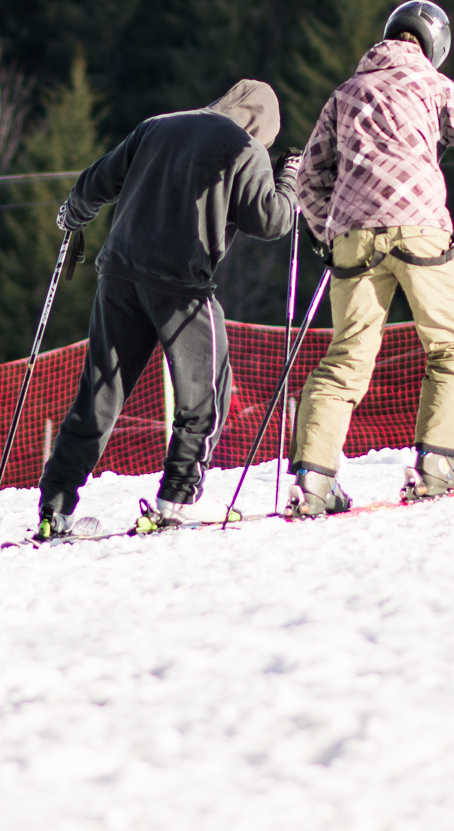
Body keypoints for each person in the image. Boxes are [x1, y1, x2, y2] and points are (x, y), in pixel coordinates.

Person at [288, 0, 454, 515]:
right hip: (421, 229)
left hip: (353, 237)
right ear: (434, 45)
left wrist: (324, 235)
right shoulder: (434, 86)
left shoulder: (346, 93)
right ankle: (438, 465)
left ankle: (313, 482)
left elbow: (309, 178)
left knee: (346, 359)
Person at [38, 80, 300, 538]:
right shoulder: (246, 147)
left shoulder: (157, 126)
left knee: (100, 392)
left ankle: (55, 506)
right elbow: (272, 220)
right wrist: (290, 178)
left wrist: (72, 216)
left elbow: (95, 182)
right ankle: (178, 497)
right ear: (264, 125)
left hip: (118, 275)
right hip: (181, 284)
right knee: (209, 390)